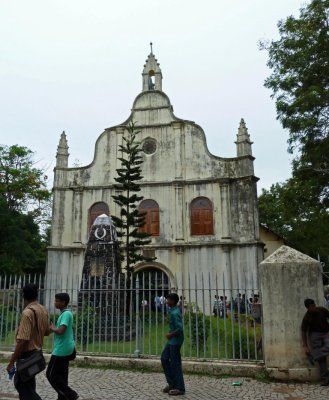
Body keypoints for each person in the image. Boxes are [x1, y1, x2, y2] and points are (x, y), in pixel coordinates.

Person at [7, 283, 49, 400]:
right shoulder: (43, 310)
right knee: (29, 384)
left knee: (21, 385)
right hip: (36, 355)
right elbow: (46, 332)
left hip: (27, 356)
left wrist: (11, 362)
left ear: (24, 295)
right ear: (36, 294)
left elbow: (23, 340)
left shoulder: (27, 313)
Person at [47, 293, 79, 400]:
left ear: (63, 302)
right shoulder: (65, 313)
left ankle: (70, 394)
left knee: (51, 374)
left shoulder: (66, 314)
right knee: (61, 375)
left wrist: (53, 328)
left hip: (61, 349)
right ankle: (62, 398)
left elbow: (61, 330)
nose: (55, 303)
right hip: (66, 348)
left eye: (57, 301)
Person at [161, 293, 185, 396]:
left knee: (175, 363)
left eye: (169, 300)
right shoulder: (173, 311)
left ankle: (180, 388)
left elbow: (180, 328)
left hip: (175, 340)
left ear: (174, 301)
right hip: (172, 340)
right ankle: (172, 383)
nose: (167, 301)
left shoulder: (175, 313)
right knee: (164, 358)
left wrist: (171, 335)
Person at [301, 298, 329, 385]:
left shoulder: (322, 310)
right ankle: (326, 379)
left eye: (314, 305)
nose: (314, 307)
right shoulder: (307, 317)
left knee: (325, 349)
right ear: (307, 308)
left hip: (326, 333)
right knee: (322, 359)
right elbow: (303, 331)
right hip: (314, 335)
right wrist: (305, 346)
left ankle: (315, 356)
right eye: (312, 306)